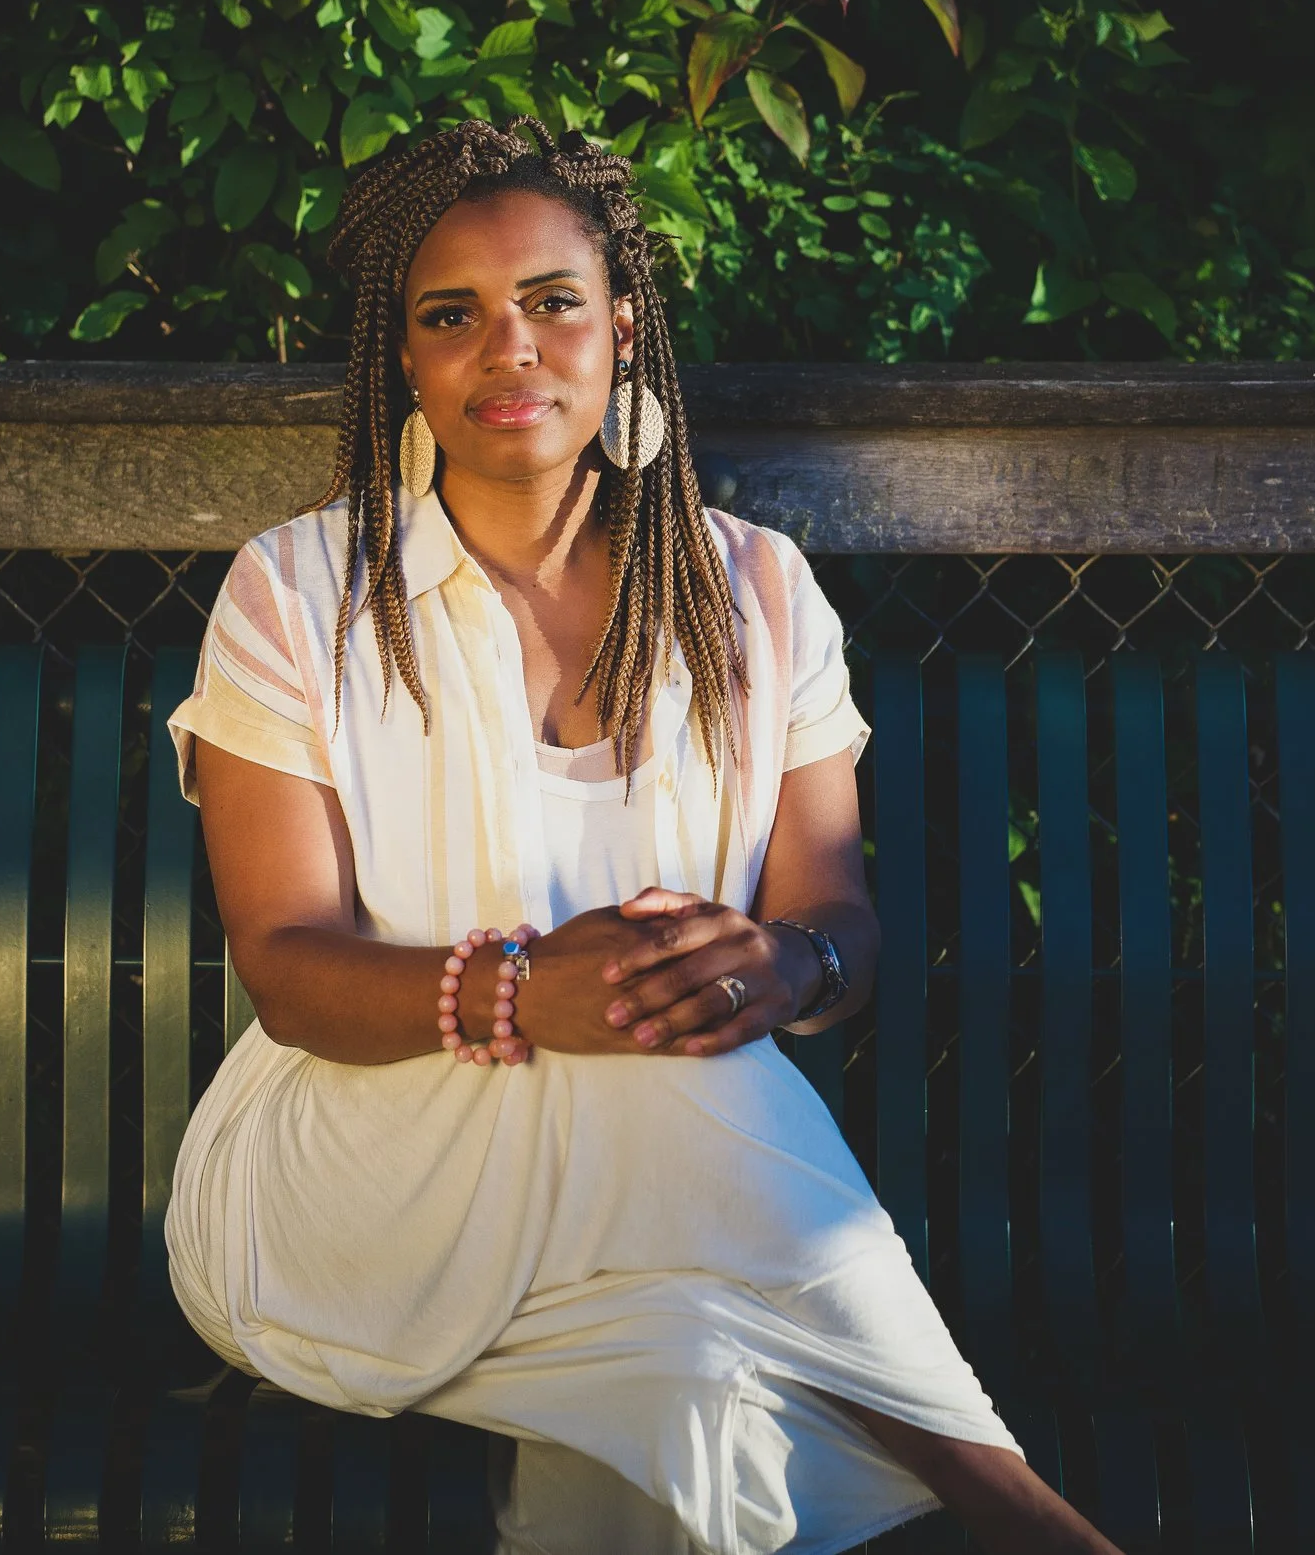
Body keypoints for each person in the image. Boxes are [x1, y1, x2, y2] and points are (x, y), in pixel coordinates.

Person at [163, 116, 1116, 1555]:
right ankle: (1018, 1510)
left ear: (622, 332)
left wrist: (778, 969)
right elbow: (289, 970)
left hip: (662, 1244)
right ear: (405, 361)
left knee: (691, 1400)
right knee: (652, 1025)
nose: (511, 346)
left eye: (552, 300)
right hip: (355, 1202)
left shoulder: (761, 594)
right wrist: (522, 989)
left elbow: (836, 921)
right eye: (453, 315)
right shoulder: (299, 591)